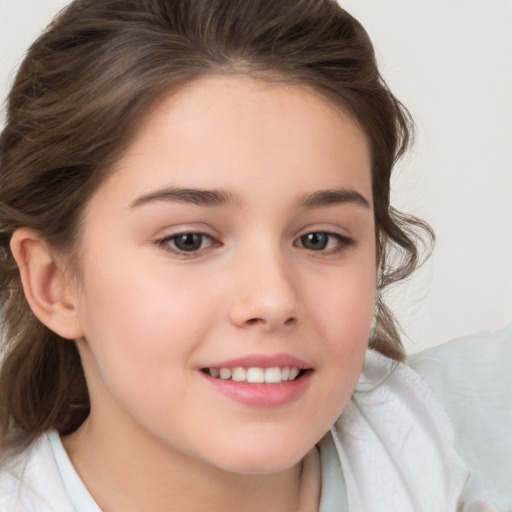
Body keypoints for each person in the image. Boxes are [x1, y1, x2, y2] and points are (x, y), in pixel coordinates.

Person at [0, 0, 509, 511]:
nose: (272, 299)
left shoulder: (478, 436)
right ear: (53, 281)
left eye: (319, 239)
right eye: (189, 241)